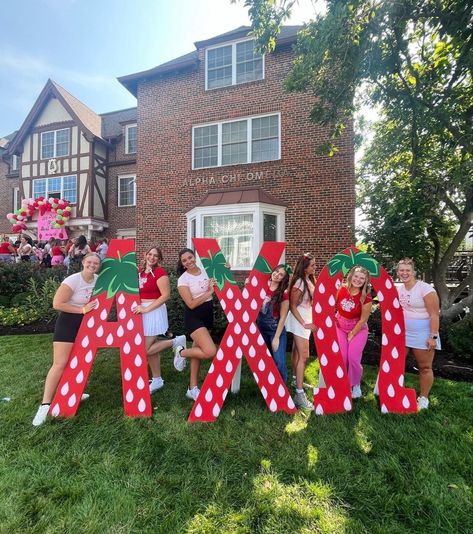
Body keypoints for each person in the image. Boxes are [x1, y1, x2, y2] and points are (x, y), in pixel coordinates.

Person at [32, 253, 101, 426]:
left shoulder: (98, 279)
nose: (92, 265)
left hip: (87, 324)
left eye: (96, 263)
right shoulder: (73, 280)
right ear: (83, 262)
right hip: (69, 322)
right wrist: (82, 310)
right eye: (89, 262)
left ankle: (74, 391)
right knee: (60, 363)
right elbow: (57, 303)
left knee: (78, 361)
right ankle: (45, 404)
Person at [132, 246, 186, 394]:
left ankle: (176, 341)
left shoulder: (159, 272)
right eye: (150, 254)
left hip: (153, 311)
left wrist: (147, 309)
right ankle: (157, 380)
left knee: (144, 349)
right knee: (151, 350)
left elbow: (165, 295)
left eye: (156, 256)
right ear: (145, 255)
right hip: (141, 311)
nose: (152, 257)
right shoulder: (139, 272)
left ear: (159, 259)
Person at [396, 258, 440, 410]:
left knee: (424, 367)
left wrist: (433, 337)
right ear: (398, 272)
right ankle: (396, 393)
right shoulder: (399, 289)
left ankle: (423, 397)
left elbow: (434, 315)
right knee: (396, 365)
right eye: (401, 270)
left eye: (408, 270)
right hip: (402, 333)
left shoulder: (426, 289)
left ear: (414, 272)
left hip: (423, 332)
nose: (405, 273)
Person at [175, 248, 217, 401]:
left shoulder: (206, 270)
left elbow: (220, 275)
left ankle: (192, 388)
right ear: (182, 264)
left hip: (207, 315)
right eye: (184, 260)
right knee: (210, 351)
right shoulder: (183, 279)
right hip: (194, 317)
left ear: (194, 257)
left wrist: (225, 267)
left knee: (197, 352)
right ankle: (180, 353)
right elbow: (191, 304)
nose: (188, 261)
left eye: (190, 258)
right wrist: (208, 293)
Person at [335, 266, 373, 398]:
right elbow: (331, 305)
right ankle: (343, 383)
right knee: (342, 357)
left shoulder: (366, 297)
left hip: (358, 329)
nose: (358, 280)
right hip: (340, 326)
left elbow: (363, 320)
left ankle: (355, 384)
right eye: (356, 276)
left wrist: (352, 334)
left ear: (365, 281)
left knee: (353, 358)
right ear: (351, 276)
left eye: (362, 278)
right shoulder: (341, 289)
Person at [285, 253, 317, 410]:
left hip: (305, 319)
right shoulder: (299, 282)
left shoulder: (308, 280)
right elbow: (292, 305)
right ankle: (299, 394)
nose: (314, 267)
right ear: (304, 267)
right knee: (304, 356)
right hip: (300, 321)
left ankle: (294, 379)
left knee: (297, 353)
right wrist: (304, 323)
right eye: (312, 265)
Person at [256, 264, 290, 383]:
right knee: (266, 360)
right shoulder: (261, 286)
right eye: (276, 271)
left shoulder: (283, 294)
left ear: (283, 279)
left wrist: (276, 338)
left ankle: (282, 389)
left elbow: (283, 317)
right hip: (260, 327)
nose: (277, 275)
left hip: (275, 329)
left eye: (281, 274)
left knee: (279, 361)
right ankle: (269, 387)